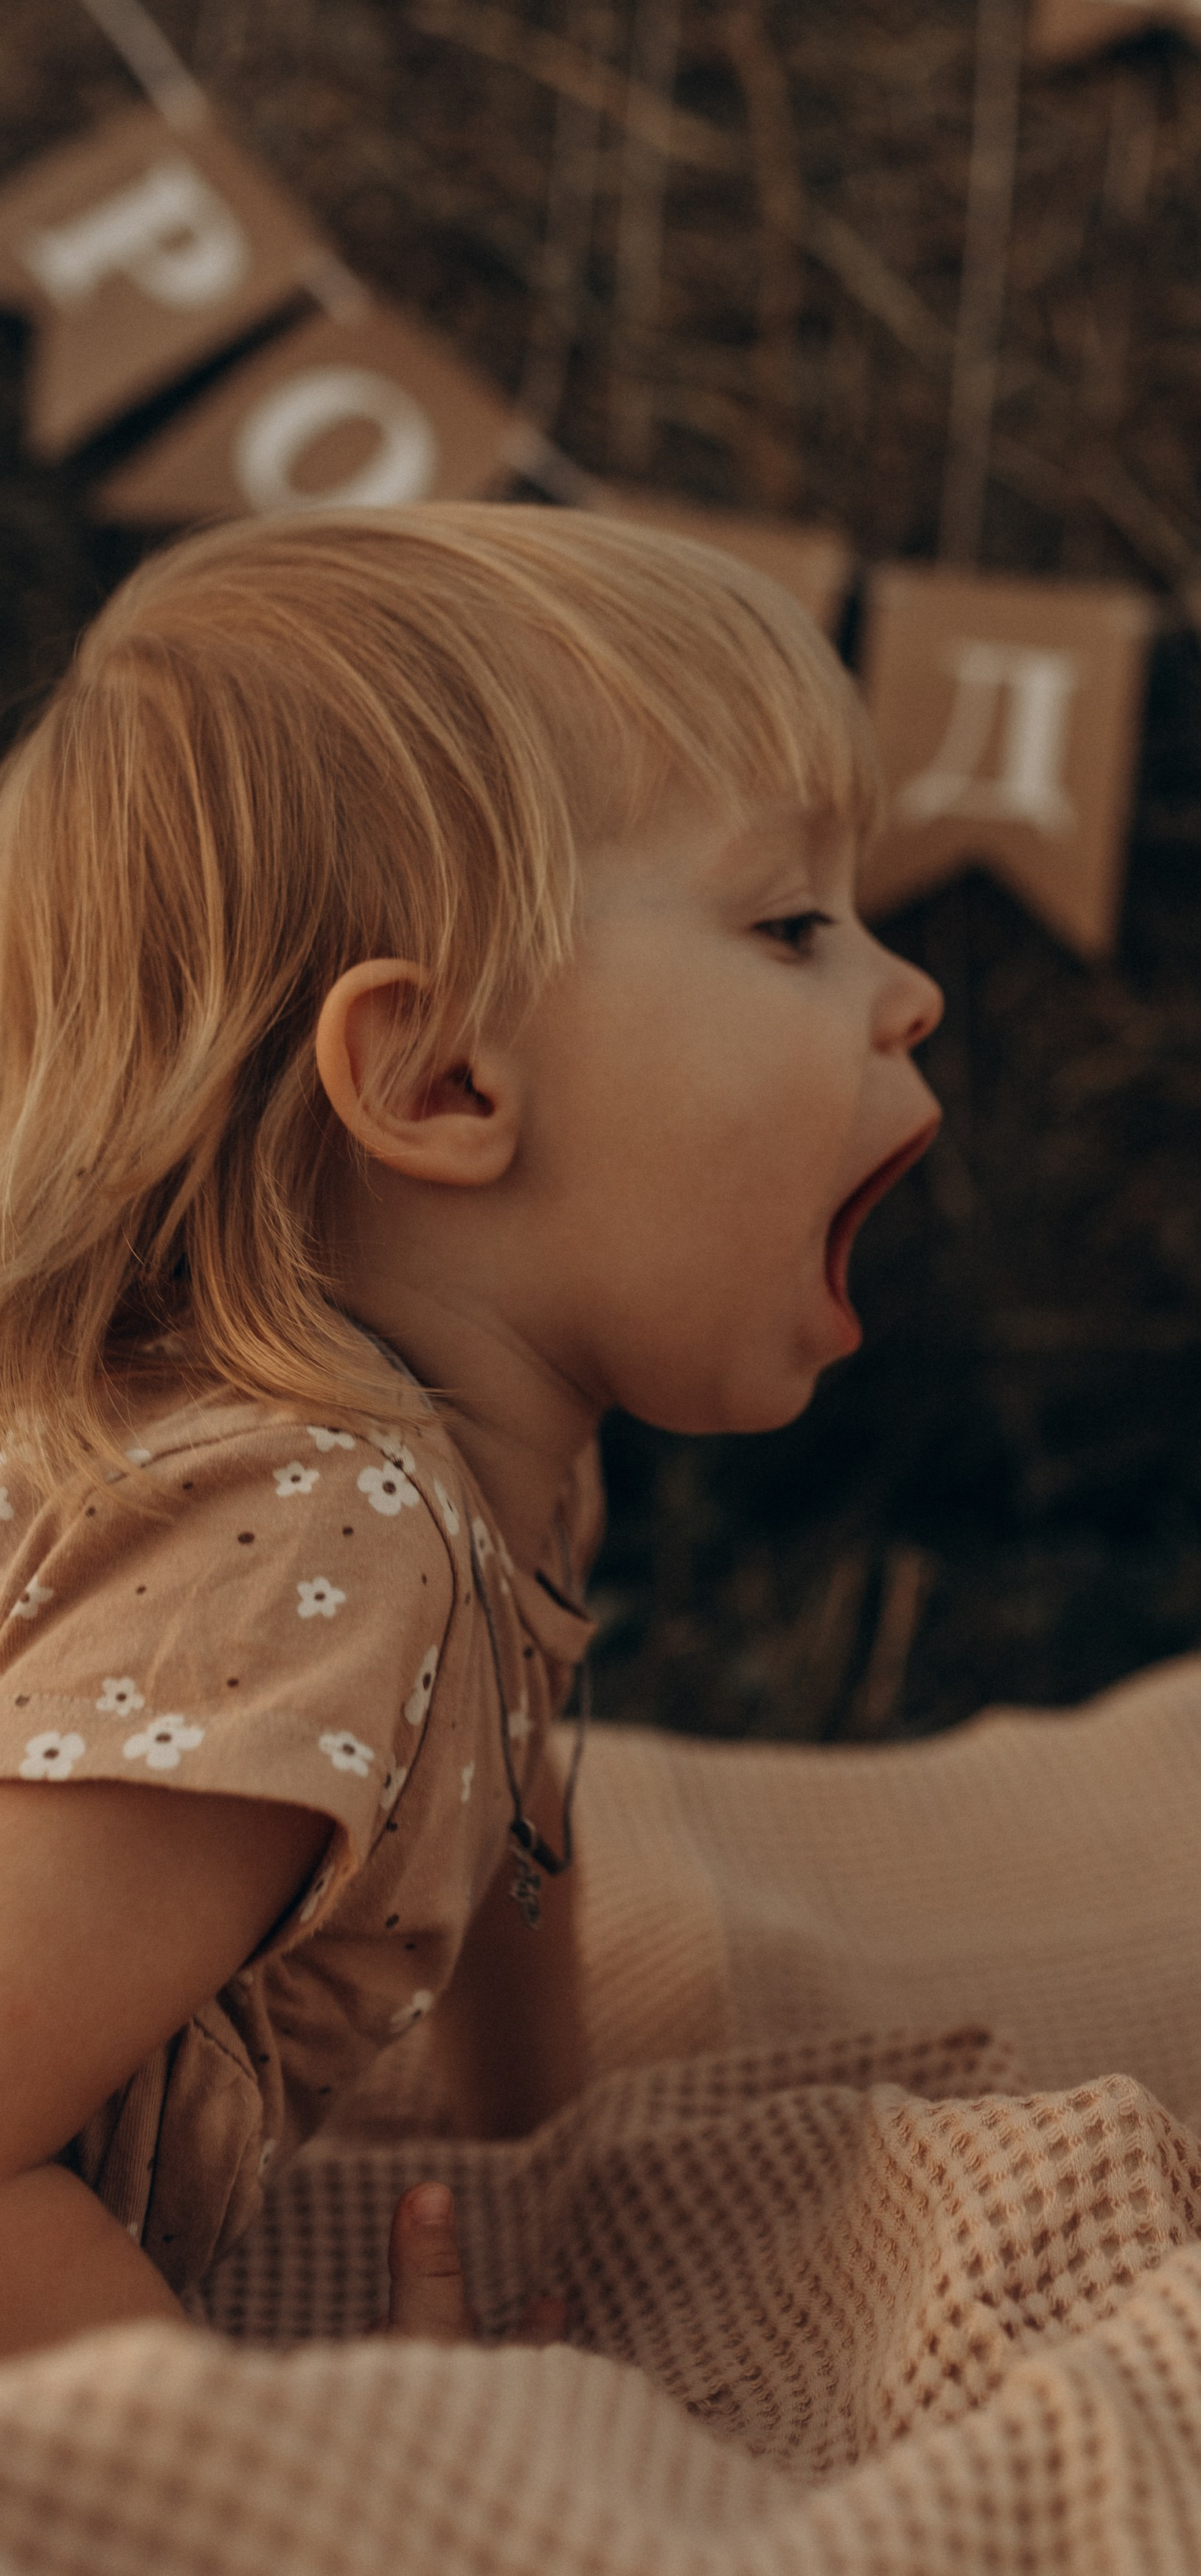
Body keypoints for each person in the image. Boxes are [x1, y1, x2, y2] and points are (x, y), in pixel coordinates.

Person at [0, 503, 941, 2362]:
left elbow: (518, 1813)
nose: (907, 991)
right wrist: (280, 2489)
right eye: (791, 924)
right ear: (442, 1082)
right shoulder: (317, 1543)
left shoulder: (490, 1474)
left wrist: (556, 2167)